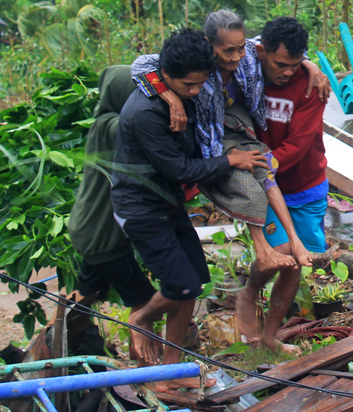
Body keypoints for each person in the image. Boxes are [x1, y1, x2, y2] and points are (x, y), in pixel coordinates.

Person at [111, 29, 268, 387]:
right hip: (142, 209)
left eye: (201, 84)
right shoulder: (145, 114)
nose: (196, 92)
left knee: (194, 282)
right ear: (165, 75)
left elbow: (253, 45)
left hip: (167, 204)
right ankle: (140, 319)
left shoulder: (183, 85)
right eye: (188, 86)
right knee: (180, 286)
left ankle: (171, 372)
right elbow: (179, 169)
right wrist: (230, 160)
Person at [131, 10, 327, 273]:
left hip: (264, 147)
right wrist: (170, 96)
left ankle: (299, 259)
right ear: (210, 45)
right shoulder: (198, 64)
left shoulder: (256, 58)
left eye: (239, 49)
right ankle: (263, 251)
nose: (235, 57)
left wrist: (309, 64)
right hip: (216, 141)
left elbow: (274, 47)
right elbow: (142, 65)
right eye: (227, 51)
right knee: (251, 185)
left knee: (266, 173)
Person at [235, 16, 329, 352]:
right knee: (280, 252)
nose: (288, 72)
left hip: (304, 182)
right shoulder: (246, 73)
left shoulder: (311, 85)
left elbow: (299, 144)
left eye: (294, 63)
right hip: (263, 186)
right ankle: (248, 292)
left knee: (296, 263)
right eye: (280, 64)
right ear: (261, 52)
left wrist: (260, 164)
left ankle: (270, 337)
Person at [68, 65, 159, 361]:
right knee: (144, 302)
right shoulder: (112, 125)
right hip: (102, 236)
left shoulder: (102, 123)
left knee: (85, 293)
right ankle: (146, 367)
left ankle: (63, 344)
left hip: (88, 227)